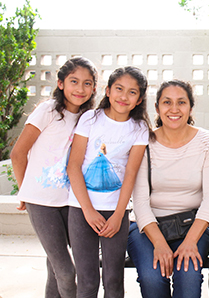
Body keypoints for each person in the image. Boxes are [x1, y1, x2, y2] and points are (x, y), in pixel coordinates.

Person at [10, 57, 98, 297]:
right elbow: (18, 154)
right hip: (42, 203)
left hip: (70, 202)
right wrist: (25, 192)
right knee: (67, 272)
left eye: (87, 83)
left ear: (94, 88)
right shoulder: (47, 110)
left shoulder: (88, 118)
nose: (80, 89)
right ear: (60, 83)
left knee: (55, 267)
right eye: (74, 81)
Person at [127, 79, 209, 298]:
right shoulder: (144, 141)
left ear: (190, 107)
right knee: (152, 276)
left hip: (192, 226)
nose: (174, 109)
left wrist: (190, 242)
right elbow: (140, 202)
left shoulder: (207, 141)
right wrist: (159, 243)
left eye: (181, 102)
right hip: (147, 227)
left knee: (188, 276)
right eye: (167, 102)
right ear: (157, 108)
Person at [66, 66, 151, 297]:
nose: (124, 96)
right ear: (107, 91)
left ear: (139, 99)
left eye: (132, 92)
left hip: (116, 211)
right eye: (119, 89)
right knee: (87, 278)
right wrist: (88, 210)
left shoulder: (139, 128)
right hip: (81, 209)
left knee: (114, 278)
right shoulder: (90, 119)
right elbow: (73, 166)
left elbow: (130, 174)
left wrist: (117, 215)